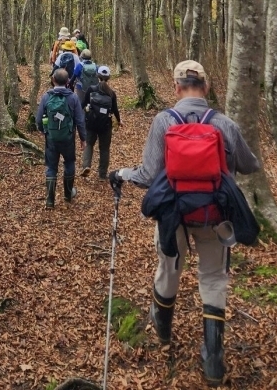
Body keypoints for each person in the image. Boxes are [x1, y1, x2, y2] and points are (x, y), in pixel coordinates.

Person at [108, 60, 260, 387]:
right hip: (215, 216)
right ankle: (214, 359)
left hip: (173, 214)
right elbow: (250, 165)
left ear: (176, 88)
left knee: (169, 267)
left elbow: (148, 175)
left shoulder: (164, 121)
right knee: (213, 276)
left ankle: (163, 327)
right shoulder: (224, 123)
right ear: (205, 87)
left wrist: (120, 173)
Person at [36, 68, 86, 209]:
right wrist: (83, 139)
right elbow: (80, 120)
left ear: (53, 80)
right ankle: (68, 195)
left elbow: (39, 119)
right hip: (68, 138)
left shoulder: (46, 96)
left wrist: (43, 130)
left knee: (51, 167)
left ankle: (50, 201)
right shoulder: (73, 97)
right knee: (69, 163)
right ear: (68, 81)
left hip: (51, 138)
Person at [81, 66, 121, 180]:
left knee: (89, 144)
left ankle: (86, 166)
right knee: (104, 149)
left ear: (97, 76)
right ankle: (102, 175)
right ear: (109, 77)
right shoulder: (111, 93)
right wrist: (119, 121)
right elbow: (114, 110)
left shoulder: (91, 89)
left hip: (91, 123)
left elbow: (83, 104)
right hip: (105, 125)